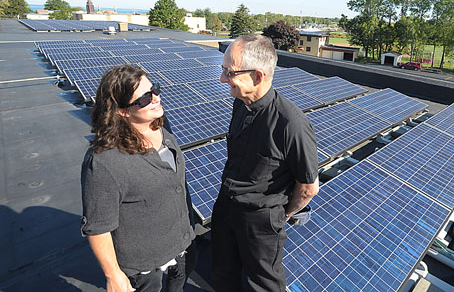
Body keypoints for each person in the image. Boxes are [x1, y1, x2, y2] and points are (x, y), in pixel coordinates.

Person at [211, 34, 320, 292]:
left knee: (262, 284)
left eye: (229, 72)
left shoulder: (290, 123)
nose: (222, 79)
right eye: (223, 70)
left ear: (257, 77)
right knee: (222, 272)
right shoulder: (241, 104)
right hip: (226, 206)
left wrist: (281, 215)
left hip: (261, 220)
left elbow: (308, 187)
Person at [81, 65, 197, 292]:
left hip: (182, 244)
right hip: (144, 266)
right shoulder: (105, 162)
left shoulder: (163, 129)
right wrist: (113, 275)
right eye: (143, 99)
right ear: (122, 111)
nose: (155, 98)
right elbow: (98, 227)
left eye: (154, 89)